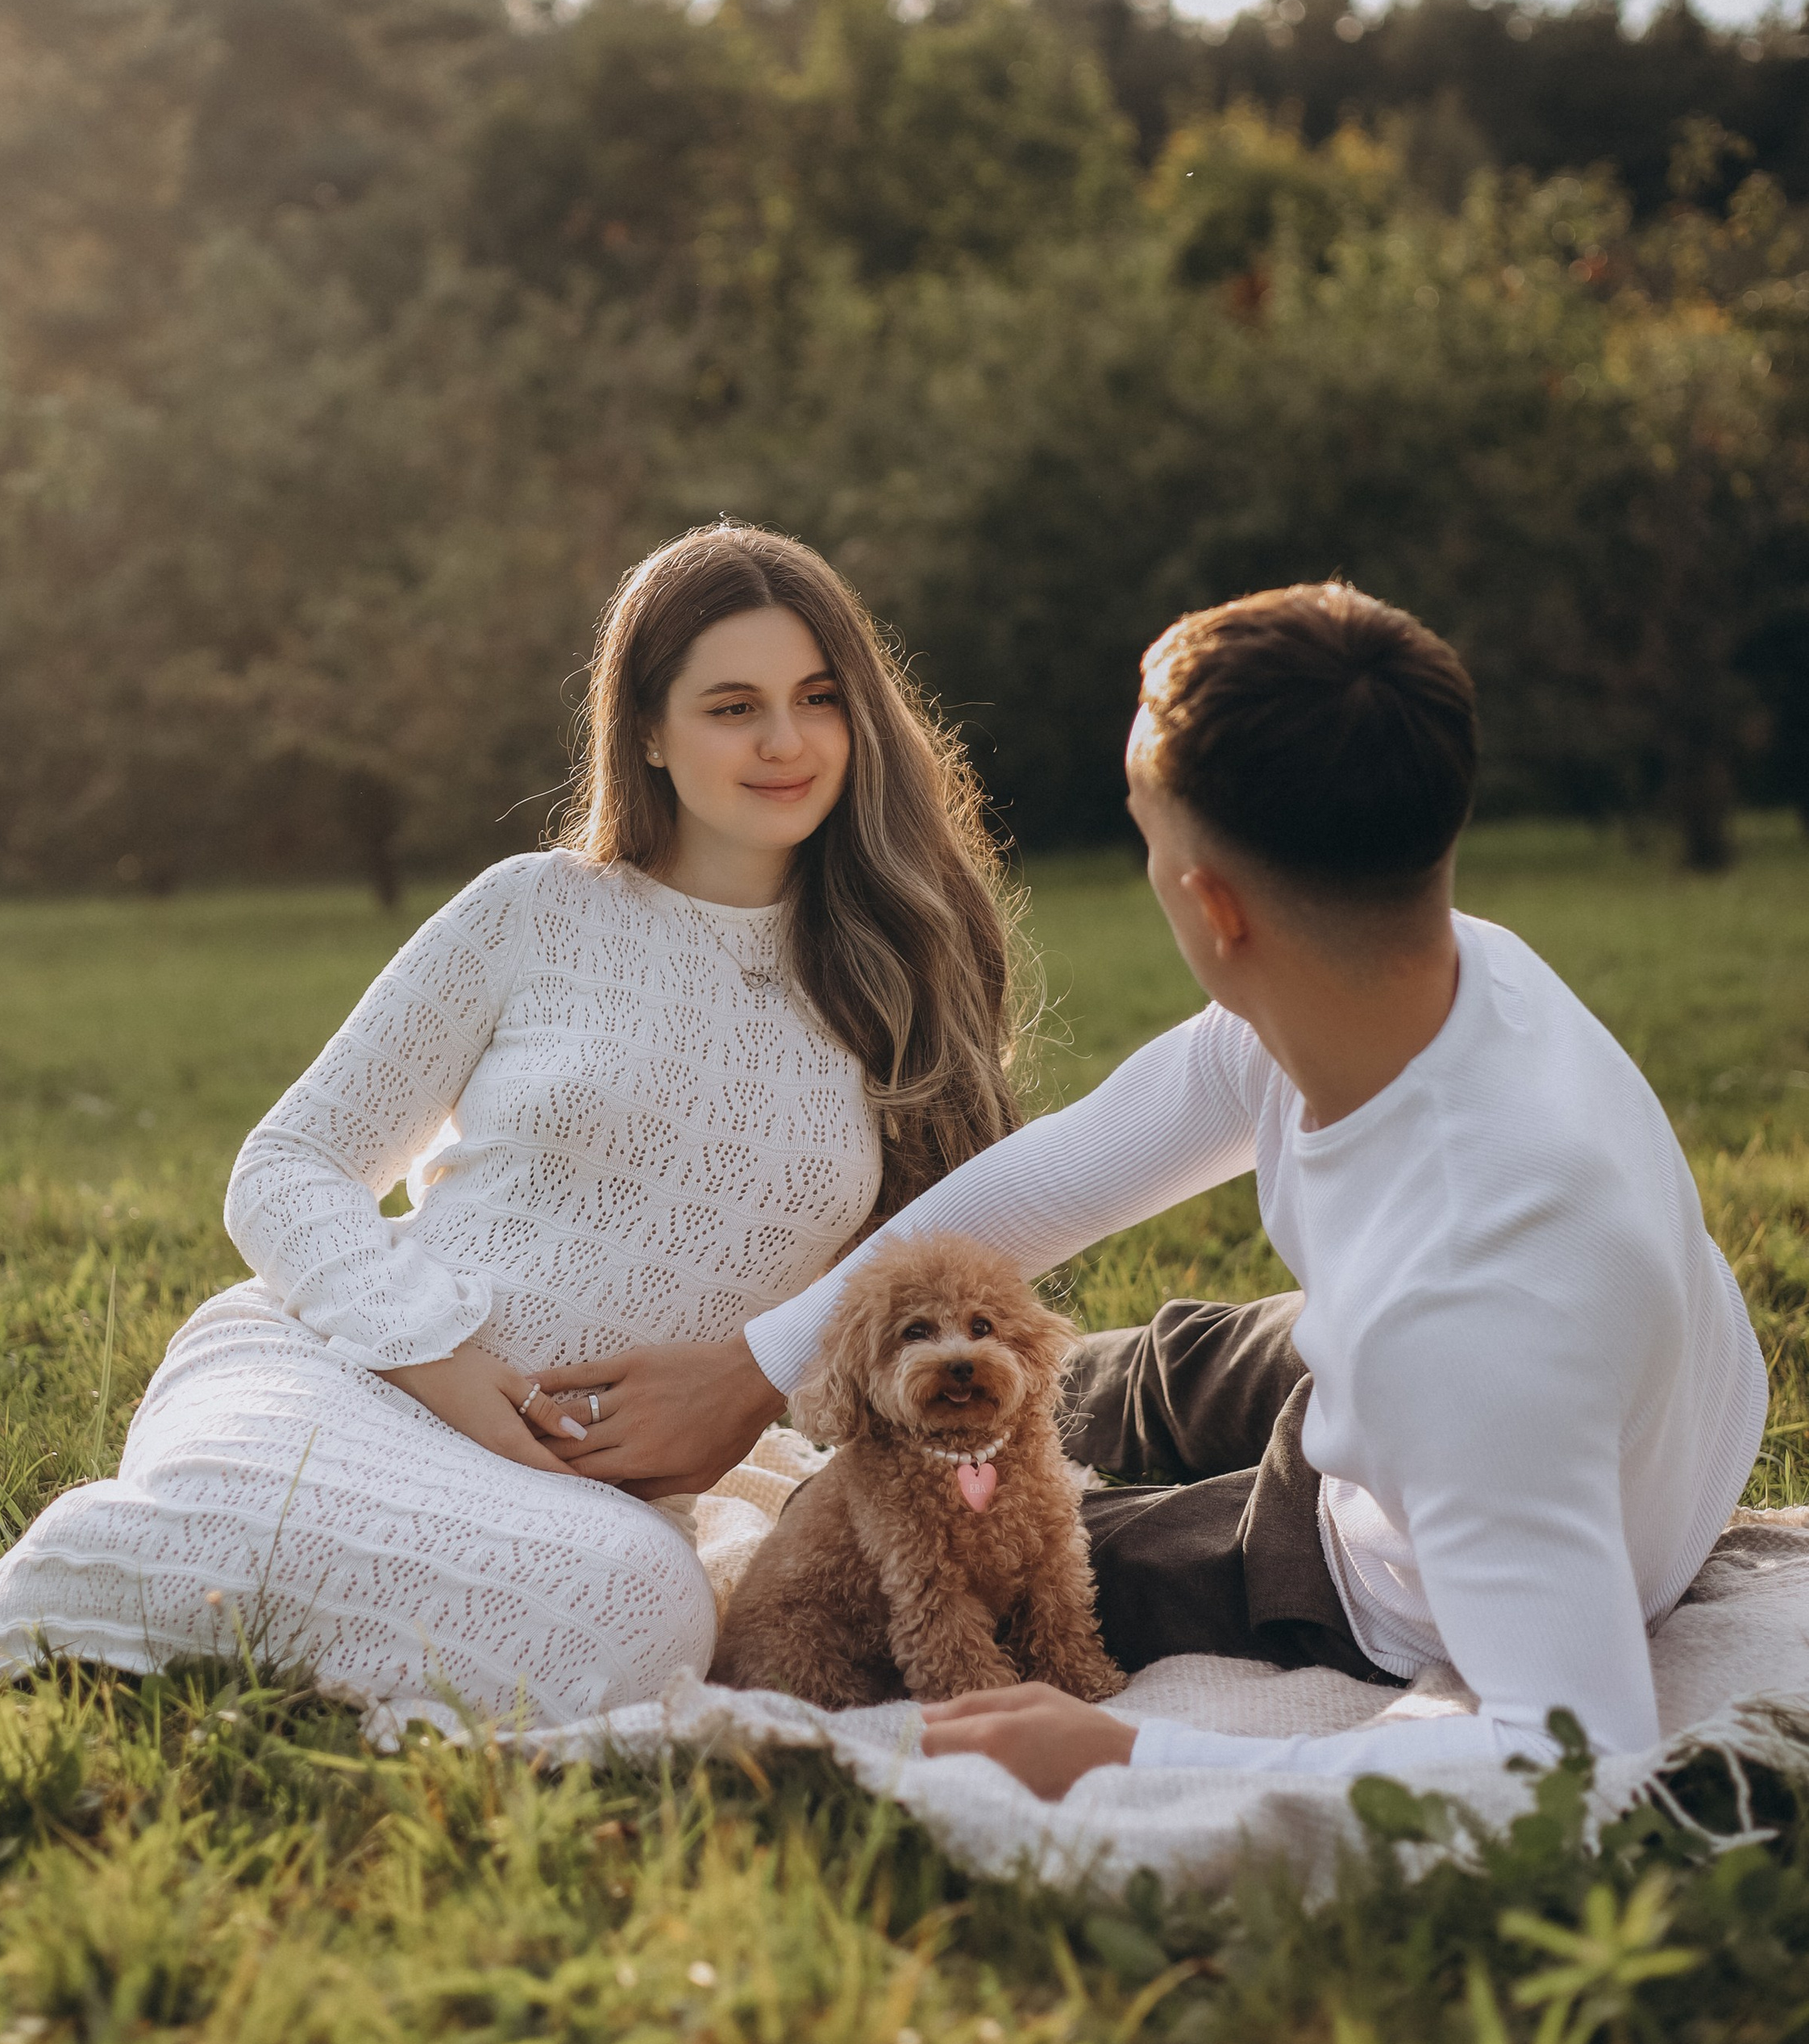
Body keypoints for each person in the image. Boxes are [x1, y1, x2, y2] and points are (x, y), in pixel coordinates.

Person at [0, 525, 1023, 1727]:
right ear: (646, 729)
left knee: (642, 1622)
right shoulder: (534, 911)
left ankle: (87, 1605)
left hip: (591, 1497)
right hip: (357, 1372)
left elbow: (934, 1273)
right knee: (248, 1493)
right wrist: (446, 1366)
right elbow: (288, 1165)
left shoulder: (897, 976)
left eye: (817, 697)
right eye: (732, 706)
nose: (786, 740)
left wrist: (754, 1389)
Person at [556, 583, 1768, 1796]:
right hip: (1570, 1385)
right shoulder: (1442, 971)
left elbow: (1577, 1755)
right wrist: (757, 1365)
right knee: (1107, 1371)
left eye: (1147, 836)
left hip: (1453, 1518)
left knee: (1019, 1538)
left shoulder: (1459, 1326)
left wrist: (1134, 1749)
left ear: (1213, 904)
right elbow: (1063, 1173)